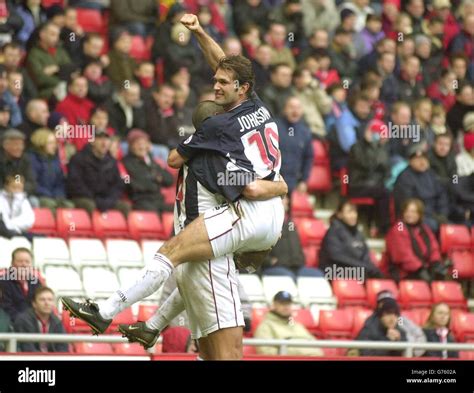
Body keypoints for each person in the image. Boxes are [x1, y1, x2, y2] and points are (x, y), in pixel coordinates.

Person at [62, 14, 287, 360]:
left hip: (251, 211)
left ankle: (107, 311)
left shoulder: (213, 132)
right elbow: (222, 64)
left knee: (175, 254)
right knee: (193, 280)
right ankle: (150, 326)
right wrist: (199, 32)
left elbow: (174, 160)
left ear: (240, 87)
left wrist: (270, 187)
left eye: (223, 84)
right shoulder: (258, 106)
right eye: (217, 82)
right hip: (271, 217)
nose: (216, 86)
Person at [66, 129, 130, 217]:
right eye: (100, 139)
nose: (104, 143)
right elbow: (75, 184)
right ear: (92, 141)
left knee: (125, 206)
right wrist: (95, 199)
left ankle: (115, 230)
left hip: (106, 199)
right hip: (84, 197)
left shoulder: (112, 161)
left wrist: (109, 200)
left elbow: (118, 185)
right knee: (89, 205)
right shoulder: (78, 159)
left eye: (107, 139)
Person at [319, 199, 383, 280]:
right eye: (349, 212)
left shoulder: (358, 233)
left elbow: (365, 254)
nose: (353, 215)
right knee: (365, 273)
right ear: (340, 214)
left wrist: (369, 267)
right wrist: (363, 266)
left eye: (354, 212)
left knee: (377, 274)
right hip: (333, 271)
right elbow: (336, 256)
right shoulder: (333, 232)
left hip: (357, 269)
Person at [261, 195, 323, 280]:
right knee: (289, 277)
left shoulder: (290, 223)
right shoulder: (264, 223)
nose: (287, 201)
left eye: (286, 198)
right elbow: (255, 250)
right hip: (275, 267)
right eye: (282, 199)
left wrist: (300, 260)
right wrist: (270, 261)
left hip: (296, 266)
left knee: (318, 275)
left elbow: (298, 248)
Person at [386, 198, 447, 282]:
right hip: (402, 273)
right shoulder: (398, 228)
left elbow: (434, 248)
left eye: (413, 212)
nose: (409, 214)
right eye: (407, 211)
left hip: (423, 269)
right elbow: (403, 256)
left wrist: (435, 263)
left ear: (420, 214)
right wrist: (420, 269)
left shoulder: (425, 229)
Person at [347, 119, 391, 234]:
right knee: (384, 193)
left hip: (375, 186)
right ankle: (383, 228)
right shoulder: (356, 148)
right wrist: (372, 145)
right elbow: (368, 166)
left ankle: (381, 226)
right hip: (358, 184)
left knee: (389, 191)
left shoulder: (382, 149)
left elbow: (386, 170)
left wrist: (378, 147)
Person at [393, 145, 450, 233]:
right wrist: (432, 215)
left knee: (454, 228)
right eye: (418, 159)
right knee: (434, 226)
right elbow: (407, 203)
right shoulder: (404, 177)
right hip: (417, 215)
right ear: (411, 161)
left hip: (435, 214)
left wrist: (442, 213)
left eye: (424, 159)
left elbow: (442, 196)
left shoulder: (431, 174)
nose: (422, 162)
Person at [254, 291, 323, 356]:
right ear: (274, 305)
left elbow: (315, 345)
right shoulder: (266, 326)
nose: (286, 307)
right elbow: (265, 352)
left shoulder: (297, 325)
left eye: (288, 303)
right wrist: (294, 353)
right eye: (282, 303)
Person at [122, 129, 174, 214]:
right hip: (141, 202)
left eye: (144, 143)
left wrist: (159, 177)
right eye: (138, 144)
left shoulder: (151, 162)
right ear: (131, 146)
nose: (142, 147)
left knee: (179, 210)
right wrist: (154, 180)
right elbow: (133, 184)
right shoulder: (126, 163)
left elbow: (169, 180)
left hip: (158, 201)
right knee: (153, 214)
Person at [25, 21, 73, 100]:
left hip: (67, 87)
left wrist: (56, 68)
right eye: (52, 34)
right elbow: (39, 78)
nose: (56, 38)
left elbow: (70, 68)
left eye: (57, 35)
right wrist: (60, 81)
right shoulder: (34, 54)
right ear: (42, 35)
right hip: (46, 92)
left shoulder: (60, 51)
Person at [29, 128, 73, 213]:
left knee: (69, 206)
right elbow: (33, 183)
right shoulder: (32, 159)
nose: (54, 146)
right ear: (41, 143)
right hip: (39, 196)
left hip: (54, 196)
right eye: (50, 143)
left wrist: (58, 195)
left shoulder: (55, 161)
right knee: (50, 206)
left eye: (55, 143)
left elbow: (60, 182)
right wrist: (49, 195)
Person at [13, 286, 69, 353]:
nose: (47, 303)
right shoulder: (23, 320)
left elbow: (63, 346)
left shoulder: (57, 321)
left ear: (53, 303)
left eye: (50, 300)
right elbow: (27, 348)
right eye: (42, 299)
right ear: (34, 304)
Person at [276, 96, 314, 194]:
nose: (295, 111)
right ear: (285, 109)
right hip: (275, 181)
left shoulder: (305, 132)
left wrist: (304, 181)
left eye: (298, 108)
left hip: (296, 184)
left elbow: (308, 157)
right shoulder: (274, 127)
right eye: (291, 107)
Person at [356, 291, 407, 356]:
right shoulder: (369, 326)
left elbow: (407, 345)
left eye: (395, 314)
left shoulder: (399, 324)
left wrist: (398, 340)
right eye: (388, 313)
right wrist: (388, 341)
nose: (392, 318)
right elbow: (367, 354)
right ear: (380, 316)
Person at [0, 248, 43, 322]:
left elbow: (40, 304)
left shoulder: (36, 281)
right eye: (20, 261)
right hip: (11, 324)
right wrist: (24, 320)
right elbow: (6, 308)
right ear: (12, 264)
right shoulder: (3, 282)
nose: (24, 265)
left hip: (33, 323)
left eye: (27, 262)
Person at [0, 129, 36, 196]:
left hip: (21, 194)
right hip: (3, 196)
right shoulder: (2, 161)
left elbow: (31, 182)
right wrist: (9, 189)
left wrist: (21, 188)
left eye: (21, 144)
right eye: (16, 144)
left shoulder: (24, 160)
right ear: (5, 146)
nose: (20, 148)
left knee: (33, 201)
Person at [0, 174, 35, 239]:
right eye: (14, 187)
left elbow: (29, 219)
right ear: (6, 186)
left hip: (18, 233)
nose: (16, 190)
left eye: (19, 188)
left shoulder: (23, 200)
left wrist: (11, 225)